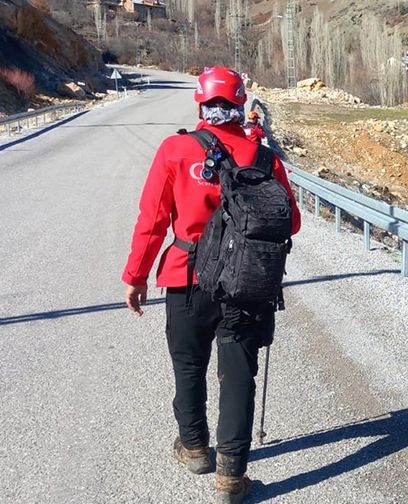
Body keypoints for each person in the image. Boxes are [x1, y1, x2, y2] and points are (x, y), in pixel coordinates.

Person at [122, 66, 301, 503]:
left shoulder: (176, 149)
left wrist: (136, 276)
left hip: (187, 276)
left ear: (200, 102)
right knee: (237, 375)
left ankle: (195, 448)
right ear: (241, 103)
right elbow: (291, 221)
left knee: (189, 365)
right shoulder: (264, 158)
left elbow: (153, 219)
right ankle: (231, 477)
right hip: (246, 283)